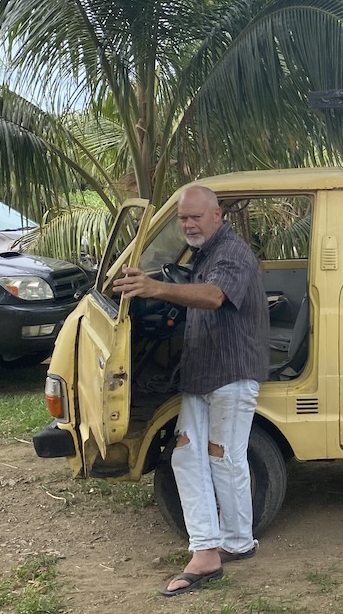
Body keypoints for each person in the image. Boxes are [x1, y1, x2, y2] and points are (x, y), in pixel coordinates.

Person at [113, 185, 268, 597]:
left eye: (195, 216)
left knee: (224, 458)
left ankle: (227, 546)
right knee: (185, 456)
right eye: (182, 218)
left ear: (217, 215)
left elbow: (214, 296)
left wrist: (154, 288)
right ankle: (218, 546)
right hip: (201, 374)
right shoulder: (203, 253)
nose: (188, 224)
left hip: (231, 373)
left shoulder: (231, 252)